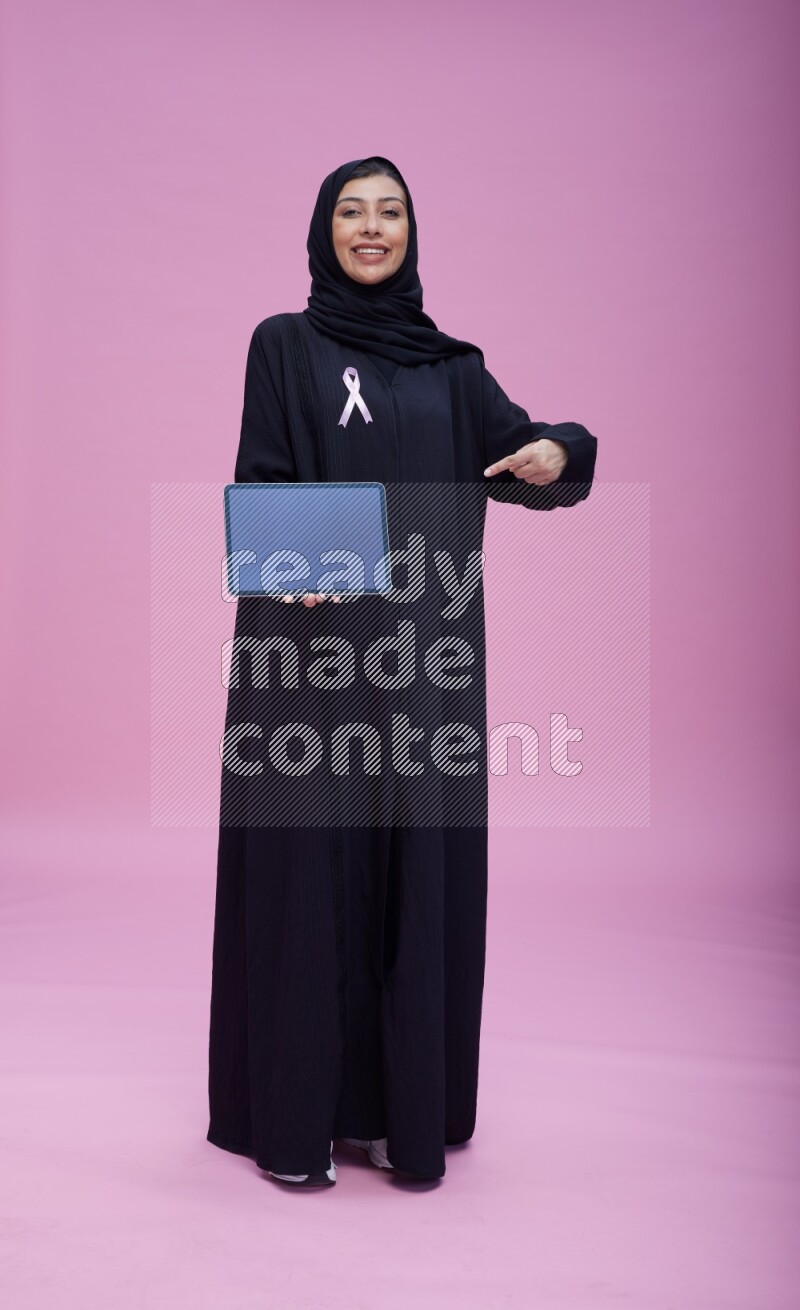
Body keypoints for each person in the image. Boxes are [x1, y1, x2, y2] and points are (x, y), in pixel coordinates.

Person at [206, 155, 598, 1188]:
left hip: (423, 665)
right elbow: (263, 478)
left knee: (409, 873)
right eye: (351, 210)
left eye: (389, 212)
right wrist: (287, 565)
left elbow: (527, 454)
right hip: (302, 659)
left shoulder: (450, 369)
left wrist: (556, 450)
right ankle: (296, 1117)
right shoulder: (282, 344)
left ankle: (395, 1113)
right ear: (321, 229)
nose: (370, 228)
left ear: (411, 234)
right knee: (306, 877)